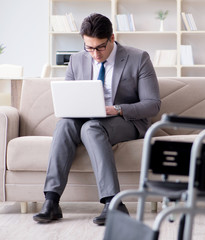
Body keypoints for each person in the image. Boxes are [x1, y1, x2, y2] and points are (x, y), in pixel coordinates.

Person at [33, 13, 161, 225]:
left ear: (112, 38)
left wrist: (116, 109)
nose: (95, 54)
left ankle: (113, 202)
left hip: (126, 120)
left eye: (100, 47)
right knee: (65, 124)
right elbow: (70, 98)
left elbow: (153, 104)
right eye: (89, 48)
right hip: (86, 118)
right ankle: (52, 201)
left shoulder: (138, 58)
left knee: (91, 128)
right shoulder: (76, 60)